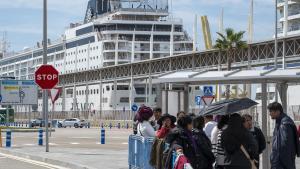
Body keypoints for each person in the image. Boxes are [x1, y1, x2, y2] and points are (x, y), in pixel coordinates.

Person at [268, 102, 300, 169]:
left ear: (277, 111)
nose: (269, 114)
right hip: (279, 162)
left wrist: (276, 161)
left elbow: (285, 146)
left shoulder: (284, 124)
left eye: (271, 111)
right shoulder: (281, 122)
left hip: (281, 164)